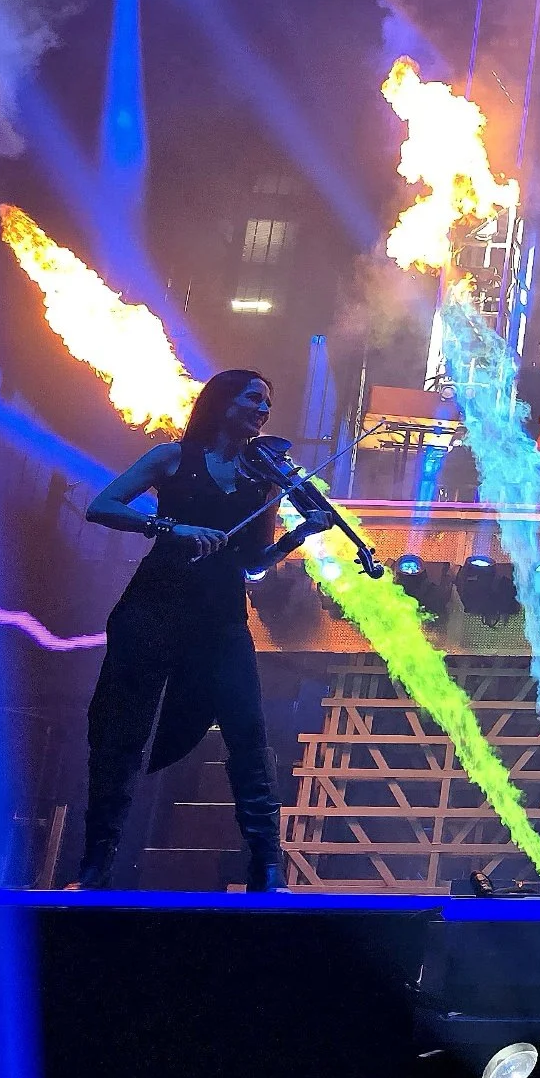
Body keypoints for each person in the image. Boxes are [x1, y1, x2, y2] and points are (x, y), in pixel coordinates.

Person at [74, 370, 324, 891]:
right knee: (123, 734)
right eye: (253, 397)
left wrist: (298, 534)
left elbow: (252, 563)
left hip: (221, 616)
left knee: (249, 734)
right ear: (222, 402)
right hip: (154, 606)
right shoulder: (173, 457)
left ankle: (266, 869)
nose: (263, 409)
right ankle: (95, 866)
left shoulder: (264, 479)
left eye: (268, 401)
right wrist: (171, 528)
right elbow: (102, 506)